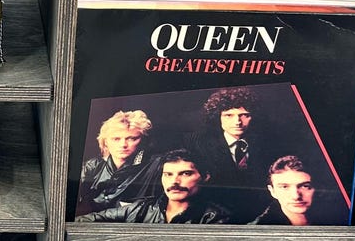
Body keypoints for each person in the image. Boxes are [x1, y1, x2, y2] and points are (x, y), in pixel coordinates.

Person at [186, 87, 282, 222]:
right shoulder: (198, 145)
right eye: (229, 115)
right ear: (218, 116)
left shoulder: (269, 145)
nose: (237, 121)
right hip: (214, 218)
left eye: (245, 115)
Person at [74, 110, 162, 221]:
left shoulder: (155, 166)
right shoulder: (92, 167)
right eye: (116, 139)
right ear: (106, 142)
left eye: (132, 138)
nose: (123, 145)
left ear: (143, 140)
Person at [120, 148, 233, 224]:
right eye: (168, 174)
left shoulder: (214, 217)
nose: (174, 181)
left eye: (185, 173)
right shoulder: (142, 208)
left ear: (205, 177)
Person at [254, 155, 315, 225]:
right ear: (272, 192)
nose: (295, 196)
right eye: (284, 187)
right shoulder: (257, 229)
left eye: (305, 186)